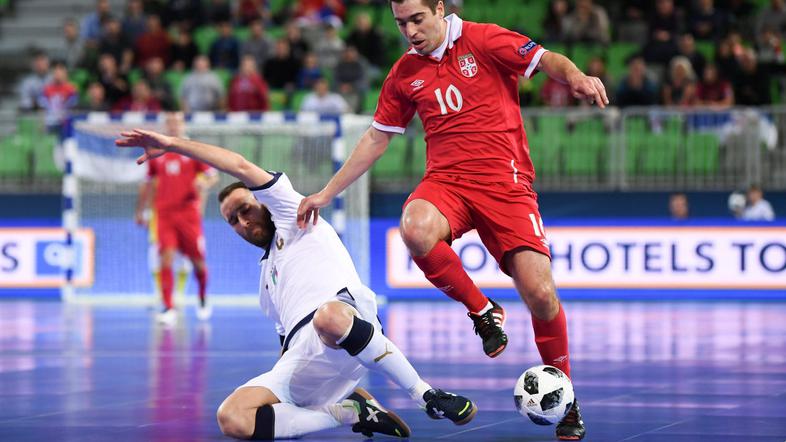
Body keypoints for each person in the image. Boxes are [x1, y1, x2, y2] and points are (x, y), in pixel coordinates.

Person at [296, 1, 607, 439]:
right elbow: (376, 138)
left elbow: (545, 59)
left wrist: (575, 76)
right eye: (401, 23)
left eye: (417, 19)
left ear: (439, 9)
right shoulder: (404, 73)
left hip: (505, 185)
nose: (410, 31)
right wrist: (327, 192)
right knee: (414, 228)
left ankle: (567, 399)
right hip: (447, 182)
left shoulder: (484, 39)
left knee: (541, 295)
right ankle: (482, 310)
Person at [116, 127, 479, 440]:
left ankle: (426, 395)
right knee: (232, 418)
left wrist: (173, 144)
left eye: (245, 209)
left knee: (328, 317)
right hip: (306, 357)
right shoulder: (266, 285)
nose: (243, 221)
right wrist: (286, 396)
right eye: (232, 220)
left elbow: (238, 165)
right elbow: (284, 346)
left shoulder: (293, 213)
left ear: (261, 201)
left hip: (347, 322)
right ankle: (351, 412)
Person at [135, 113, 219, 325]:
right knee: (165, 258)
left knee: (198, 262)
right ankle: (168, 306)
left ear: (183, 125)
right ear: (166, 125)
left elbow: (213, 176)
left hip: (188, 215)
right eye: (170, 122)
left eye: (177, 122)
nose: (174, 126)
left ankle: (202, 297)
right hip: (164, 214)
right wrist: (141, 210)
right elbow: (148, 183)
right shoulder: (156, 151)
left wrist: (204, 184)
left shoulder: (192, 150)